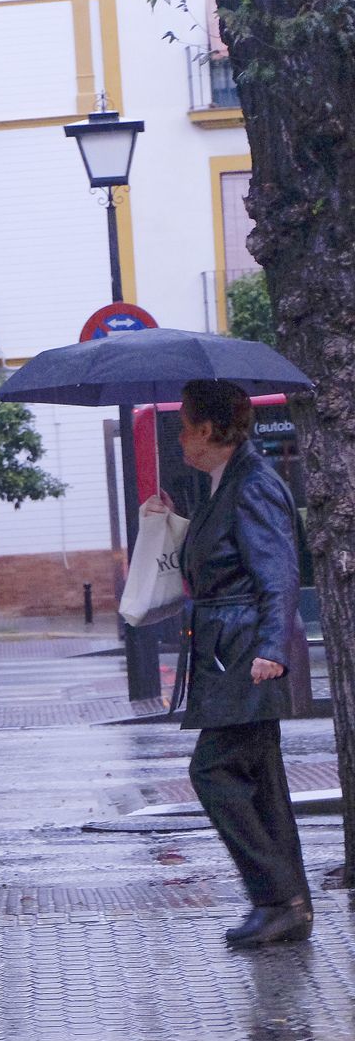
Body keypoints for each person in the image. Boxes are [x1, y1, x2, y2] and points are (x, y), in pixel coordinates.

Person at [169, 379, 313, 947]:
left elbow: (278, 573)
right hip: (233, 652)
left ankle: (276, 897)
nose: (180, 438)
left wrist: (272, 651)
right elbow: (216, 561)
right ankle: (288, 906)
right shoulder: (225, 483)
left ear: (208, 430)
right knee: (260, 782)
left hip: (247, 654)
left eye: (184, 426)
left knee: (213, 771)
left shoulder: (252, 483)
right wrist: (174, 523)